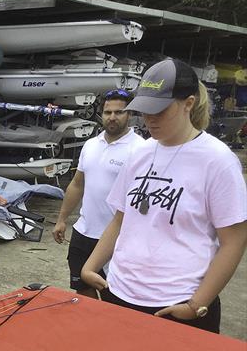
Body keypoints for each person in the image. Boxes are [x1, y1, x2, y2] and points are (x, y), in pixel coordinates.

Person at [81, 58, 247, 333]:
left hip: (177, 303)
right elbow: (121, 219)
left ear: (188, 103)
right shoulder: (140, 153)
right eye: (145, 111)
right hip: (120, 291)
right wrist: (92, 266)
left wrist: (197, 304)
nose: (150, 119)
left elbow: (234, 240)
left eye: (159, 110)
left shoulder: (217, 160)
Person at [52, 89, 147, 298]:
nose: (112, 117)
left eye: (119, 112)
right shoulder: (91, 145)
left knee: (115, 299)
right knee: (83, 294)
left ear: (129, 114)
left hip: (117, 239)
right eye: (107, 112)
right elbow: (77, 184)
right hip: (83, 233)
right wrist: (62, 220)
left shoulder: (141, 150)